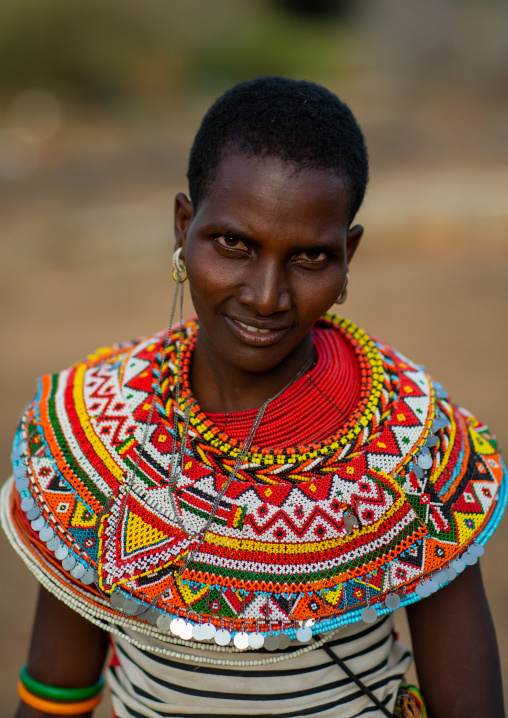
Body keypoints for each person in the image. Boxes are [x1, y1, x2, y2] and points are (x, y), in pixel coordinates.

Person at [2, 77, 506, 718]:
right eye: (234, 245)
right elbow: (56, 693)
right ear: (184, 227)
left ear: (348, 257)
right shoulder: (93, 433)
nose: (266, 296)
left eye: (310, 257)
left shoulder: (415, 443)